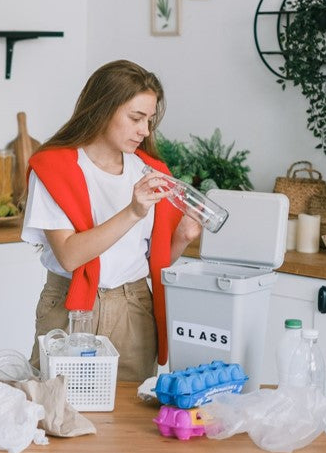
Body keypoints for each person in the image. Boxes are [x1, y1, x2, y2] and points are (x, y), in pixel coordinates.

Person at [23, 59, 201, 381]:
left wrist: (183, 237)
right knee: (57, 410)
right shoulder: (54, 169)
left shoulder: (151, 171)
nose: (145, 131)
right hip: (70, 306)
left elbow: (150, 261)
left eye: (149, 120)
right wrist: (133, 211)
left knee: (131, 422)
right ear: (103, 108)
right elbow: (70, 254)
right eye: (136, 118)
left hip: (134, 307)